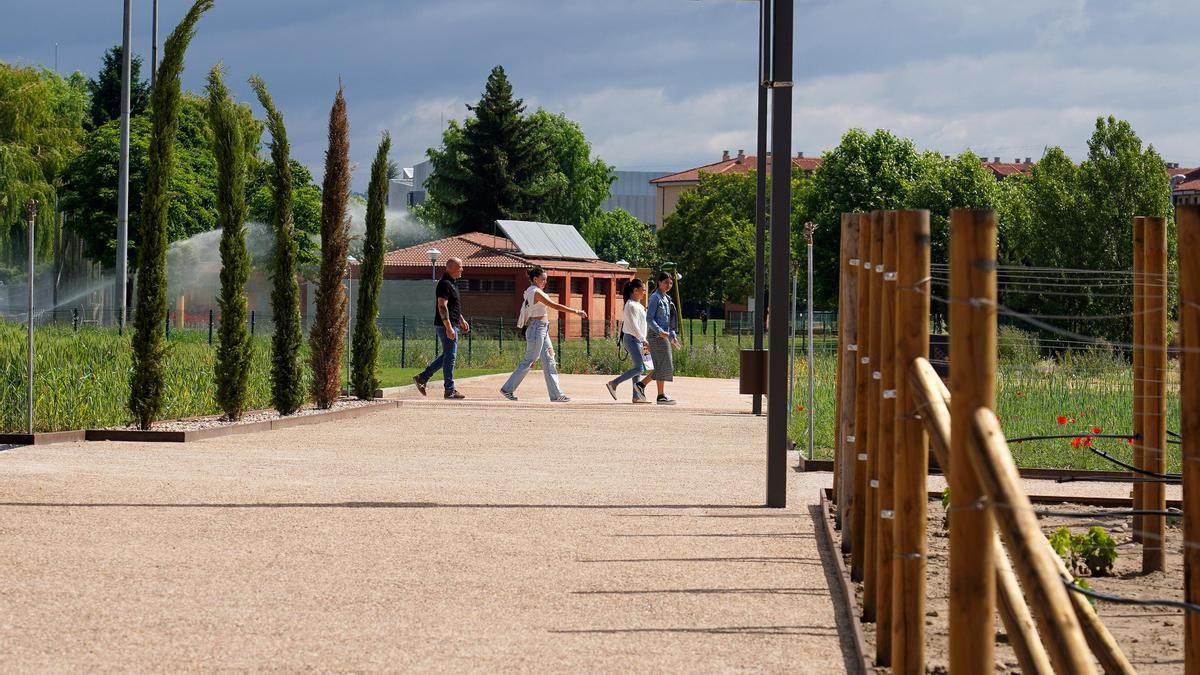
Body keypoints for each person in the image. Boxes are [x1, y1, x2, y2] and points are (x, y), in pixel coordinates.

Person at [500, 266, 586, 402]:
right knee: (529, 360)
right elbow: (555, 306)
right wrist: (576, 311)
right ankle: (507, 389)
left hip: (541, 329)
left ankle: (556, 395)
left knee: (549, 360)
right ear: (535, 279)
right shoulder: (535, 292)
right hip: (537, 329)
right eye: (543, 279)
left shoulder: (531, 291)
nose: (545, 281)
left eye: (546, 279)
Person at [413, 257, 469, 399]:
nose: (462, 269)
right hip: (446, 326)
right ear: (450, 268)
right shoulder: (444, 284)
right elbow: (442, 306)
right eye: (460, 266)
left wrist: (461, 320)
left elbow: (451, 306)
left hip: (452, 324)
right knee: (450, 357)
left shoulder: (451, 283)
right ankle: (449, 389)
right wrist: (449, 327)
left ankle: (423, 377)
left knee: (447, 356)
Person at [605, 278, 654, 403]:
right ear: (635, 290)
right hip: (633, 339)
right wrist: (643, 340)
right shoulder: (631, 305)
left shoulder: (638, 305)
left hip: (638, 339)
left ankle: (636, 396)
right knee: (640, 368)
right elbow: (634, 325)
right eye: (642, 290)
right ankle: (614, 383)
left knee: (638, 368)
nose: (644, 292)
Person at [646, 271, 680, 405]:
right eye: (666, 282)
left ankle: (642, 386)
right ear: (659, 282)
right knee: (665, 364)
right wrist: (659, 331)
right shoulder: (655, 298)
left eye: (670, 283)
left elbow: (669, 321)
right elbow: (649, 319)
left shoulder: (667, 299)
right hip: (655, 336)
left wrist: (673, 337)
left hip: (663, 336)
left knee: (663, 364)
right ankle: (660, 395)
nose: (668, 285)